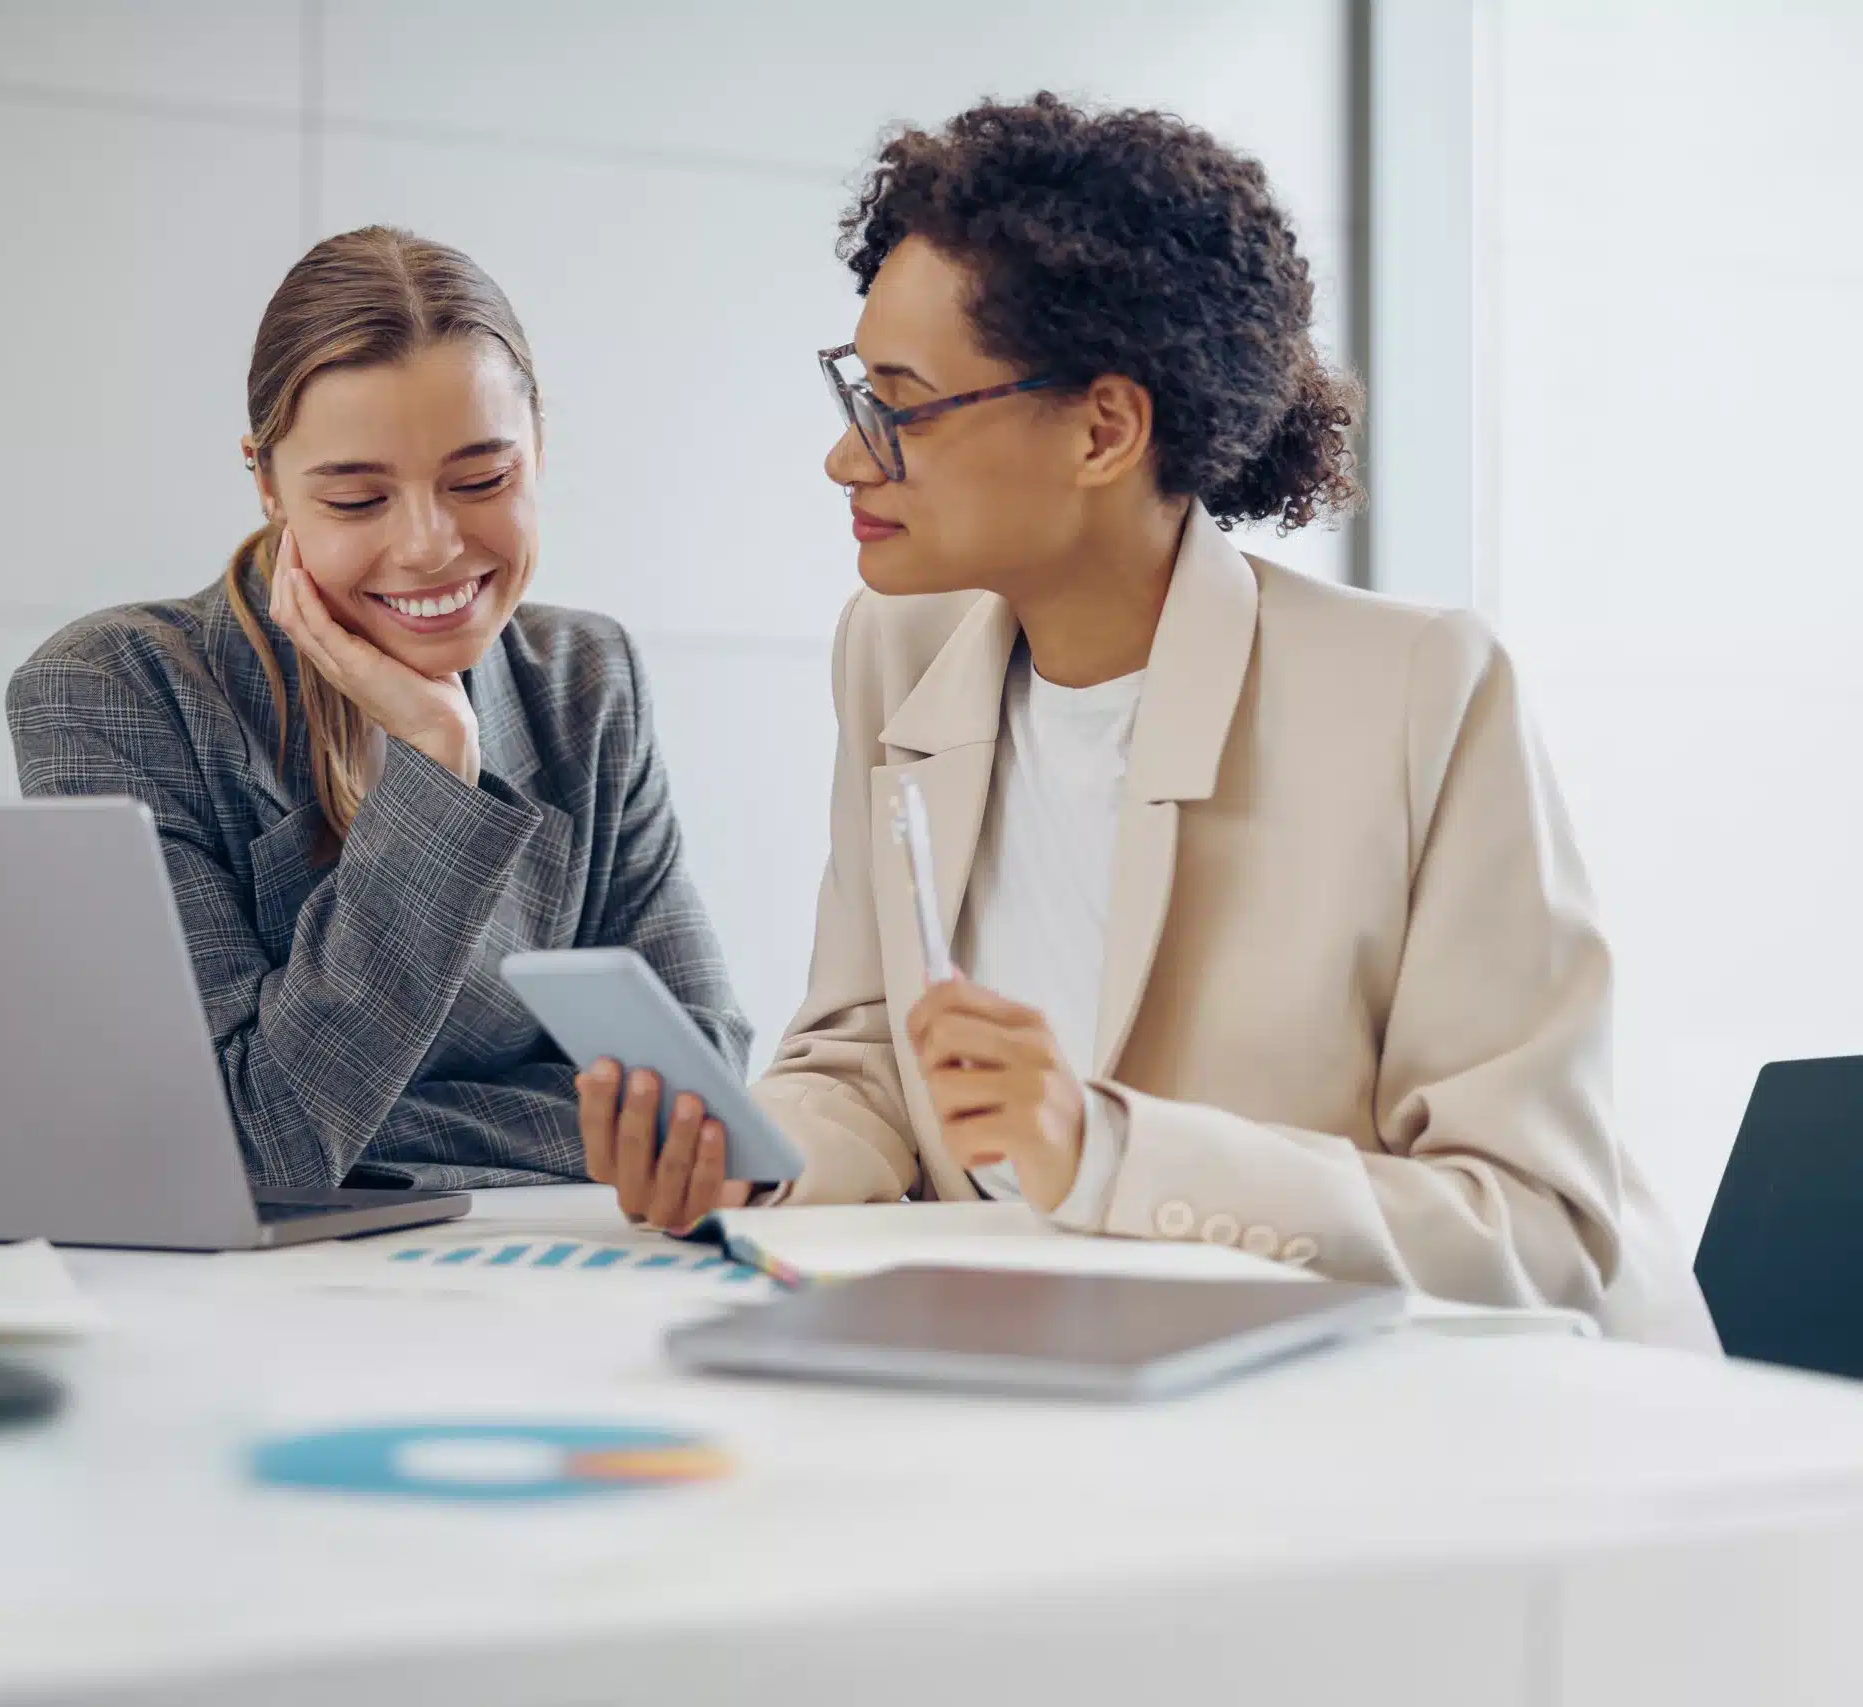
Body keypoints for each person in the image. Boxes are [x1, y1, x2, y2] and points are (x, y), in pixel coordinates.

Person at [582, 94, 1714, 1349]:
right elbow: (869, 1062)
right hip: (1070, 1371)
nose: (847, 459)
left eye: (899, 407)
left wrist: (1105, 1151)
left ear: (1104, 430)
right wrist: (753, 1159)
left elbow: (1535, 1233)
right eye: (857, 393)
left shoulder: (1418, 690)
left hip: (1437, 1407)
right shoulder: (897, 650)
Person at [9, 226, 749, 1193]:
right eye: (358, 500)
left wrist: (366, 1128)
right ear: (268, 483)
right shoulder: (118, 692)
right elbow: (247, 1146)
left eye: (481, 481)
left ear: (538, 446)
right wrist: (437, 766)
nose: (429, 546)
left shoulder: (584, 683)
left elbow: (699, 1103)